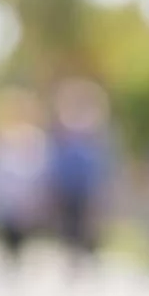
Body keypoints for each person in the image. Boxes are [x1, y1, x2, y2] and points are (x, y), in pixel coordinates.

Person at [0, 92, 51, 278]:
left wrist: (37, 193)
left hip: (26, 194)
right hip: (4, 195)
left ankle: (18, 265)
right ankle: (7, 265)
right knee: (5, 232)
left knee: (22, 234)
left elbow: (40, 169)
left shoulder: (35, 139)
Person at [48, 79, 114, 273]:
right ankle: (73, 258)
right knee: (70, 226)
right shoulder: (62, 132)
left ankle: (89, 257)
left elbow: (103, 163)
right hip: (68, 187)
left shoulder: (96, 134)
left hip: (88, 187)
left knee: (90, 225)